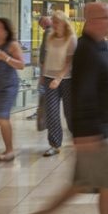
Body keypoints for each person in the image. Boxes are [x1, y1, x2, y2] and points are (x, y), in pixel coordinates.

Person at [30, 3, 108, 214]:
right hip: (95, 132)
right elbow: (82, 93)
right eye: (107, 18)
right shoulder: (86, 50)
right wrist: (86, 133)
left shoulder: (100, 45)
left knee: (82, 184)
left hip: (100, 129)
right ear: (93, 20)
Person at [0, 18, 24, 161]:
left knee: (2, 118)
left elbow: (21, 65)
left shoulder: (12, 45)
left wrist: (6, 58)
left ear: (6, 30)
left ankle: (10, 151)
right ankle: (7, 147)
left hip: (8, 86)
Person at [42, 11, 77, 157]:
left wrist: (59, 78)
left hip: (66, 79)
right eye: (53, 22)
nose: (54, 25)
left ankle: (77, 137)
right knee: (51, 111)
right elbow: (46, 58)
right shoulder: (50, 37)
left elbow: (69, 62)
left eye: (57, 22)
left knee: (69, 112)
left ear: (64, 23)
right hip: (49, 78)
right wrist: (42, 76)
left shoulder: (71, 39)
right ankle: (54, 144)